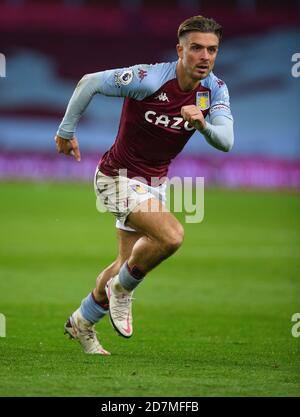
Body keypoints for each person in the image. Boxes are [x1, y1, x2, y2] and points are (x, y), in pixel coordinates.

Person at [55, 15, 234, 355]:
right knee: (172, 235)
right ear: (179, 49)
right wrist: (66, 132)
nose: (205, 57)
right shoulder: (148, 78)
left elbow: (226, 140)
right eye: (196, 48)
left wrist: (203, 126)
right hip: (116, 178)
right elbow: (89, 82)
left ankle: (81, 322)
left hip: (155, 183)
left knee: (126, 262)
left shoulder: (214, 89)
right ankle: (122, 291)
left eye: (212, 50)